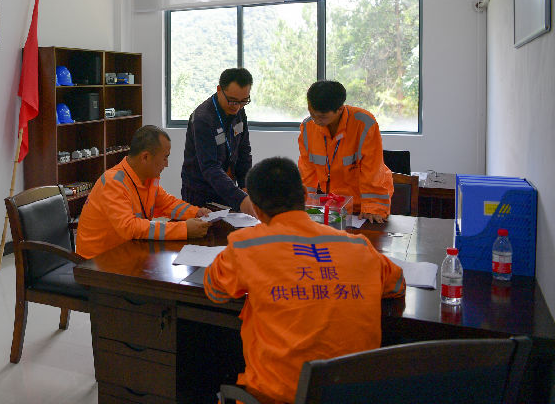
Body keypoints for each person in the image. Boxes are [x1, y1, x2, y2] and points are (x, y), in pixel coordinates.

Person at [204, 157, 405, 404]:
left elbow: (215, 290)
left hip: (275, 398)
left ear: (256, 209)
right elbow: (397, 284)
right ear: (305, 195)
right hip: (354, 395)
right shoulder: (359, 247)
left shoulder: (246, 245)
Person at [76, 125, 210, 259]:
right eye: (165, 157)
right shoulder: (113, 182)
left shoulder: (148, 179)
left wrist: (196, 213)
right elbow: (129, 228)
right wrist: (183, 229)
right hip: (96, 262)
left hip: (126, 251)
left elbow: (168, 204)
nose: (167, 164)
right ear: (145, 157)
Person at [297, 80, 393, 223]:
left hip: (364, 206)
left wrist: (374, 208)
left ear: (340, 109)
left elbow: (373, 170)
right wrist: (302, 205)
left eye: (322, 117)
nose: (316, 120)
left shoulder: (363, 123)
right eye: (312, 114)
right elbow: (306, 171)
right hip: (335, 205)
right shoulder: (308, 126)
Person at [181, 68, 254, 213]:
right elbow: (210, 167)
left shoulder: (239, 111)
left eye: (243, 101)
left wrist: (245, 185)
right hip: (200, 194)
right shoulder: (203, 119)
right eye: (232, 101)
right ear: (219, 90)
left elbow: (244, 152)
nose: (237, 107)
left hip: (226, 188)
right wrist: (240, 199)